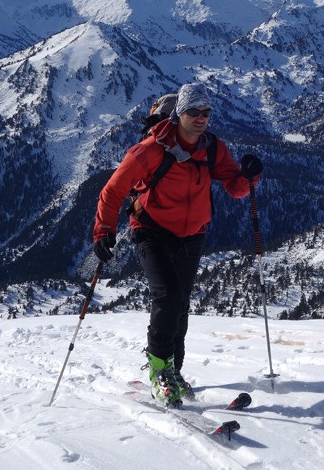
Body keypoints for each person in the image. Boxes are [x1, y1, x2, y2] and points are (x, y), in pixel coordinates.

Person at [92, 82, 263, 407]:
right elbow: (113, 190)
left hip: (192, 235)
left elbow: (235, 188)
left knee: (181, 305)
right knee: (168, 295)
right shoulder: (150, 150)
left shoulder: (212, 149)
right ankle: (159, 371)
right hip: (151, 230)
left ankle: (174, 372)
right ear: (179, 114)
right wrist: (103, 232)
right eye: (193, 112)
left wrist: (249, 176)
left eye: (206, 112)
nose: (201, 118)